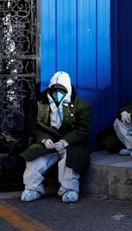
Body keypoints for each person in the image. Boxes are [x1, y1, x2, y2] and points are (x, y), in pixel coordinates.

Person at [19, 71, 92, 203]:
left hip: (71, 144)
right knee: (34, 159)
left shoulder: (81, 105)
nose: (58, 94)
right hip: (50, 143)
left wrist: (66, 141)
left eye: (61, 90)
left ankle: (69, 189)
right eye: (55, 90)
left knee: (69, 161)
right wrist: (45, 139)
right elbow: (36, 126)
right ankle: (33, 188)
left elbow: (83, 129)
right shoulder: (42, 103)